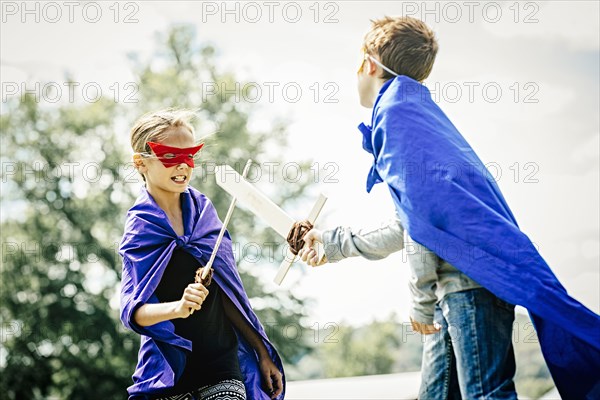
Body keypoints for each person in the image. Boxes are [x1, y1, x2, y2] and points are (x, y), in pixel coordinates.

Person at [299, 16, 600, 400]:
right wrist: (332, 242)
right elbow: (411, 222)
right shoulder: (417, 115)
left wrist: (420, 303)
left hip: (467, 285)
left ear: (370, 64)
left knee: (487, 395)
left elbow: (422, 222)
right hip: (461, 283)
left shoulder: (397, 115)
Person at [119, 109, 284, 400]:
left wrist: (261, 351)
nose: (183, 165)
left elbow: (227, 293)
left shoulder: (203, 212)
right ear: (140, 163)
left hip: (221, 367)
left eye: (190, 155)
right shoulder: (140, 227)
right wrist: (178, 308)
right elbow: (134, 312)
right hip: (166, 375)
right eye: (170, 156)